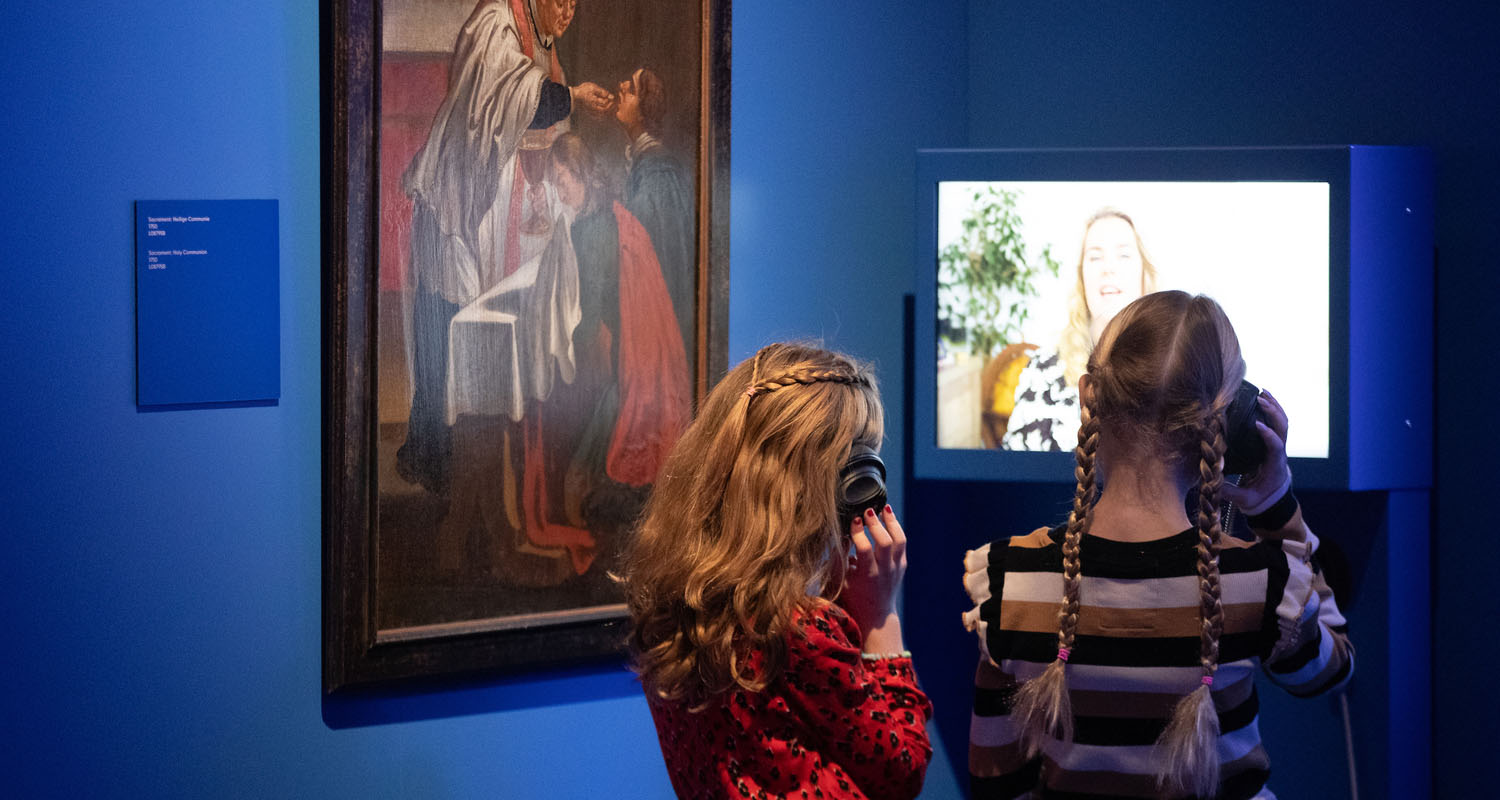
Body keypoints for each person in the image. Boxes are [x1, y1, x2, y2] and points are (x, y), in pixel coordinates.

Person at [964, 291, 1351, 799]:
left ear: (1088, 396)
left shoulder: (1010, 578)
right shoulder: (1259, 584)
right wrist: (1277, 507)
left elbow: (995, 781)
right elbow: (1330, 671)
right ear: (1229, 425)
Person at [622, 343, 933, 800]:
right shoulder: (800, 631)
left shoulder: (678, 601)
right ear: (824, 482)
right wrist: (880, 615)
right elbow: (901, 769)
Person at [396, 0, 614, 494]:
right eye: (561, 1)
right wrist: (573, 99)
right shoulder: (497, 23)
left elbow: (539, 126)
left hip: (484, 202)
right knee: (447, 319)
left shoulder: (539, 38)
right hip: (454, 202)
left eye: (575, 4)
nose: (568, 12)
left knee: (484, 316)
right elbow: (515, 101)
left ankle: (479, 455)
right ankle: (435, 457)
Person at [1003, 208, 1158, 452]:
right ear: (1081, 276)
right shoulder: (1043, 368)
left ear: (1144, 272)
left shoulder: (1176, 365)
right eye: (1095, 257)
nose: (1108, 268)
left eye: (1123, 255)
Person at [616, 67, 696, 363]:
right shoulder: (643, 161)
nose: (621, 87)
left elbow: (641, 236)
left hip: (657, 304)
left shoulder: (658, 171)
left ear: (643, 110)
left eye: (631, 89)